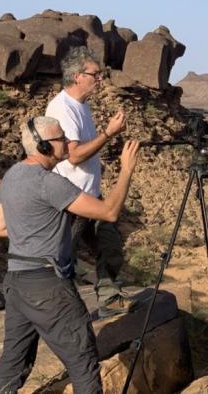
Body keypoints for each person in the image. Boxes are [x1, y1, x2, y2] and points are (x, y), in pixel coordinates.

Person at [0, 116, 139, 394]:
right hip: (49, 287)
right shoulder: (51, 184)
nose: (69, 142)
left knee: (13, 363)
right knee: (83, 363)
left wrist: (31, 229)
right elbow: (109, 212)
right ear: (44, 146)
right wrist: (127, 170)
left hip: (17, 283)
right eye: (62, 138)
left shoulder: (11, 176)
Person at [45, 46, 130, 318]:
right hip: (70, 199)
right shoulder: (62, 107)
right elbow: (74, 155)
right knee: (62, 258)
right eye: (96, 74)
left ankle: (109, 298)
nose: (100, 79)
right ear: (78, 76)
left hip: (90, 195)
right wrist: (108, 132)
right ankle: (56, 312)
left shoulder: (82, 106)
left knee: (110, 246)